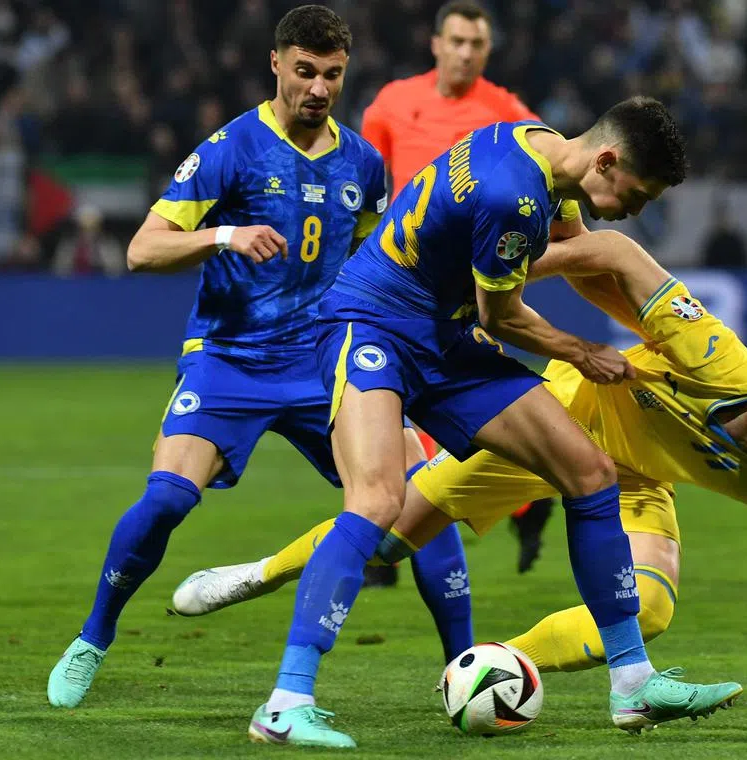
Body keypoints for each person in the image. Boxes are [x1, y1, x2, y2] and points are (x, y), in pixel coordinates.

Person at [174, 230, 747, 739]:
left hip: (635, 483)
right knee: (384, 535)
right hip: (556, 427)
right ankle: (258, 573)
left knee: (651, 605)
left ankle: (499, 663)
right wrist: (508, 277)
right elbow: (613, 253)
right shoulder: (715, 357)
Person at [248, 98, 745, 748]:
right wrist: (582, 352)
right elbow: (501, 317)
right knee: (377, 499)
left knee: (590, 473)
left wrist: (661, 320)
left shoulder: (535, 145)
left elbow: (573, 253)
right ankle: (284, 702)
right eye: (637, 193)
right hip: (369, 323)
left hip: (444, 337)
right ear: (606, 160)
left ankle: (632, 684)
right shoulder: (514, 197)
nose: (635, 210)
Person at [46, 5, 463, 717]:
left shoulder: (362, 163)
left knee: (423, 498)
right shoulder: (230, 150)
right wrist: (224, 236)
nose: (319, 87)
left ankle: (464, 666)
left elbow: (377, 259)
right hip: (229, 360)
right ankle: (93, 637)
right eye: (305, 71)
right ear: (276, 63)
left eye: (332, 74)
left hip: (326, 361)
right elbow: (141, 249)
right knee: (168, 499)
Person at [361, 0, 552, 585]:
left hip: (467, 287)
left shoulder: (508, 112)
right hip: (399, 281)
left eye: (478, 44)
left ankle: (392, 537)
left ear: (487, 52)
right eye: (458, 41)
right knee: (396, 408)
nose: (467, 52)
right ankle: (515, 503)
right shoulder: (393, 103)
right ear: (436, 43)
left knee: (428, 409)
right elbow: (371, 183)